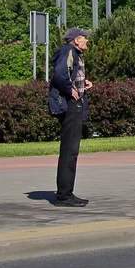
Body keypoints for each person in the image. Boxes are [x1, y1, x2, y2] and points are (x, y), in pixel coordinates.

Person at [48, 27, 94, 207]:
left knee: (71, 150)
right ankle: (64, 195)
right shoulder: (68, 51)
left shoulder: (73, 53)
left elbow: (69, 72)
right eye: (84, 38)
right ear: (76, 40)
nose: (87, 41)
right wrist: (70, 90)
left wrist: (84, 81)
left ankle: (66, 192)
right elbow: (60, 74)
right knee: (69, 150)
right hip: (69, 104)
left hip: (74, 103)